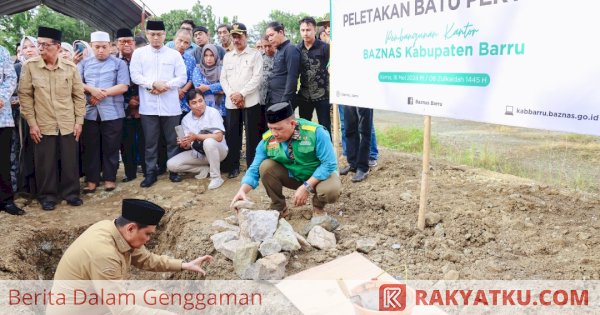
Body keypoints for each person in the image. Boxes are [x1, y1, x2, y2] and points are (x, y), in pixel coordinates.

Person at [49, 199, 213, 314]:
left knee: (159, 299)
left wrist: (184, 265)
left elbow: (146, 259)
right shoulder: (104, 253)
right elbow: (122, 310)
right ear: (131, 228)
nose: (148, 240)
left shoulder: (114, 229)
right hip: (77, 310)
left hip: (95, 301)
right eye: (147, 234)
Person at [231, 103, 341, 232]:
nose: (274, 133)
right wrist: (243, 190)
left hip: (319, 177)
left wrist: (306, 187)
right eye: (271, 128)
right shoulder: (267, 140)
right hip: (294, 176)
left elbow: (329, 164)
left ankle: (318, 208)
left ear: (293, 124)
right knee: (265, 167)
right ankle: (279, 208)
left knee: (331, 191)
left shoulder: (316, 133)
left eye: (278, 129)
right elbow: (254, 168)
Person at [18, 26, 86, 211]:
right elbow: (25, 96)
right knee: (45, 162)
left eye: (45, 45)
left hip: (67, 121)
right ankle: (47, 196)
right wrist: (32, 123)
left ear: (57, 46)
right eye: (39, 44)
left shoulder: (70, 67)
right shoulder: (30, 66)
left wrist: (79, 121)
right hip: (42, 122)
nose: (40, 48)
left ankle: (71, 194)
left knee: (70, 160)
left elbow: (79, 96)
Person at [130, 20, 187, 187]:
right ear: (147, 35)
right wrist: (152, 84)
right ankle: (150, 173)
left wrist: (166, 86)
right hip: (149, 106)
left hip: (170, 106)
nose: (156, 37)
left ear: (164, 35)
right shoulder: (139, 54)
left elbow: (182, 77)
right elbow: (135, 75)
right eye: (152, 34)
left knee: (172, 140)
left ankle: (174, 171)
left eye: (159, 34)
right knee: (150, 142)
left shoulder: (174, 54)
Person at [79, 31, 130, 193]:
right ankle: (92, 180)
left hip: (113, 112)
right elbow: (77, 83)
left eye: (104, 47)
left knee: (111, 146)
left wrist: (102, 94)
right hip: (90, 112)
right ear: (92, 46)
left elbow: (123, 86)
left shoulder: (118, 64)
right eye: (97, 47)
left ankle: (109, 178)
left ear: (110, 46)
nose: (100, 50)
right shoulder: (84, 64)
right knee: (91, 147)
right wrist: (91, 90)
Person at [220, 23, 263, 179]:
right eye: (234, 36)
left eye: (239, 36)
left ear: (246, 36)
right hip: (232, 103)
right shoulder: (227, 56)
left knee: (252, 136)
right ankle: (233, 166)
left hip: (250, 101)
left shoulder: (255, 54)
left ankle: (253, 168)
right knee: (233, 135)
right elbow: (223, 79)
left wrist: (242, 94)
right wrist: (233, 95)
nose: (236, 40)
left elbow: (257, 78)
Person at [167, 90, 227, 189]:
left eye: (200, 101)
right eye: (194, 103)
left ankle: (216, 177)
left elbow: (219, 137)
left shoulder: (213, 112)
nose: (199, 105)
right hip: (199, 154)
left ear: (204, 100)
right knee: (171, 165)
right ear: (189, 105)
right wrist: (184, 143)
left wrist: (196, 136)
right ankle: (203, 169)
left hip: (218, 152)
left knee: (209, 142)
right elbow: (187, 146)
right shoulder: (186, 119)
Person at [117, 28, 145, 183]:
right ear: (117, 43)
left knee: (144, 139)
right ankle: (130, 172)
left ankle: (147, 170)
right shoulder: (114, 60)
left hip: (144, 106)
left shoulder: (142, 58)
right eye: (122, 42)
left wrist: (139, 101)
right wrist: (129, 103)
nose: (126, 44)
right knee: (126, 142)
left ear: (134, 43)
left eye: (129, 41)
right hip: (124, 107)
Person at [296, 16, 331, 134]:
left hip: (323, 95)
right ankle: (305, 151)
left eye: (308, 30)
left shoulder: (325, 48)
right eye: (303, 30)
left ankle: (326, 151)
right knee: (304, 127)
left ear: (314, 30)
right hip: (304, 95)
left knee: (325, 126)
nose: (305, 33)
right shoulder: (297, 49)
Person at [0, 44, 23, 215]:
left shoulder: (2, 51)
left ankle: (6, 200)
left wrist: (1, 97)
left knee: (3, 161)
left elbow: (10, 77)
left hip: (2, 117)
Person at [265, 21, 300, 107]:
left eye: (271, 35)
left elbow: (292, 77)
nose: (269, 39)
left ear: (281, 32)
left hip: (283, 100)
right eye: (268, 36)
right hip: (273, 98)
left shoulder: (290, 49)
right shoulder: (279, 50)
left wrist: (285, 101)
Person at [192, 44, 226, 119]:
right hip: (203, 109)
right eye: (206, 55)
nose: (209, 58)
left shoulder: (223, 69)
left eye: (211, 55)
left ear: (216, 56)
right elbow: (199, 88)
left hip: (221, 109)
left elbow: (226, 85)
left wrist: (207, 87)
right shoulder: (198, 69)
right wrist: (220, 91)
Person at [340, 105, 373, 182]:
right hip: (349, 97)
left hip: (365, 97)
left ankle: (363, 168)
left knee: (364, 131)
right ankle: (353, 164)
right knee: (349, 129)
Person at [171, 29, 196, 118]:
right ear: (175, 39)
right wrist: (176, 91)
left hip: (184, 99)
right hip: (168, 96)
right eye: (180, 40)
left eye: (186, 43)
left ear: (189, 45)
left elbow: (192, 78)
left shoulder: (191, 59)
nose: (182, 45)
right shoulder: (166, 56)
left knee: (182, 129)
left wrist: (182, 91)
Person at [257, 36, 275, 135]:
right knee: (260, 125)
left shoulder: (280, 56)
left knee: (273, 125)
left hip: (274, 99)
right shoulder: (259, 57)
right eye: (265, 46)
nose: (267, 49)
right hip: (260, 99)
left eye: (269, 46)